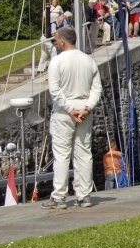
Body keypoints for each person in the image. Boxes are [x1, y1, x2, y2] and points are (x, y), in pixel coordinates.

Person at [42, 27, 102, 209]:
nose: (56, 44)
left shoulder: (57, 62)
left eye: (56, 40)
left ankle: (59, 197)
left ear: (62, 41)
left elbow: (55, 91)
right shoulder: (89, 60)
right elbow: (96, 88)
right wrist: (87, 107)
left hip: (64, 111)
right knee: (83, 153)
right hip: (84, 108)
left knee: (62, 154)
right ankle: (84, 196)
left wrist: (69, 109)